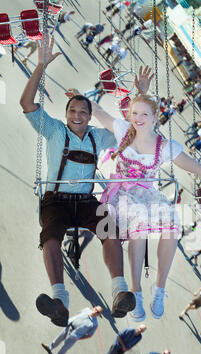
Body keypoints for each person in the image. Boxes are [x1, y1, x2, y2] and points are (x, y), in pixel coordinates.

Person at [67, 68, 201, 322]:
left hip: (146, 194)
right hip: (120, 194)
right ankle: (136, 290)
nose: (138, 119)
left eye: (144, 115)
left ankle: (159, 288)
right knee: (139, 223)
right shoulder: (122, 130)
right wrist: (78, 99)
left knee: (172, 222)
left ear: (155, 117)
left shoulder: (164, 148)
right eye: (135, 114)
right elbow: (97, 112)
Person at [20, 35, 137, 327]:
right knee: (49, 237)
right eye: (72, 110)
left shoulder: (99, 136)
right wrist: (41, 67)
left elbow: (132, 132)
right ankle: (59, 301)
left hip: (85, 200)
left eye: (83, 111)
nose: (77, 115)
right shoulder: (54, 131)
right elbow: (26, 102)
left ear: (89, 116)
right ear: (66, 114)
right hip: (56, 199)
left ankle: (120, 291)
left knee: (110, 228)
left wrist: (139, 93)